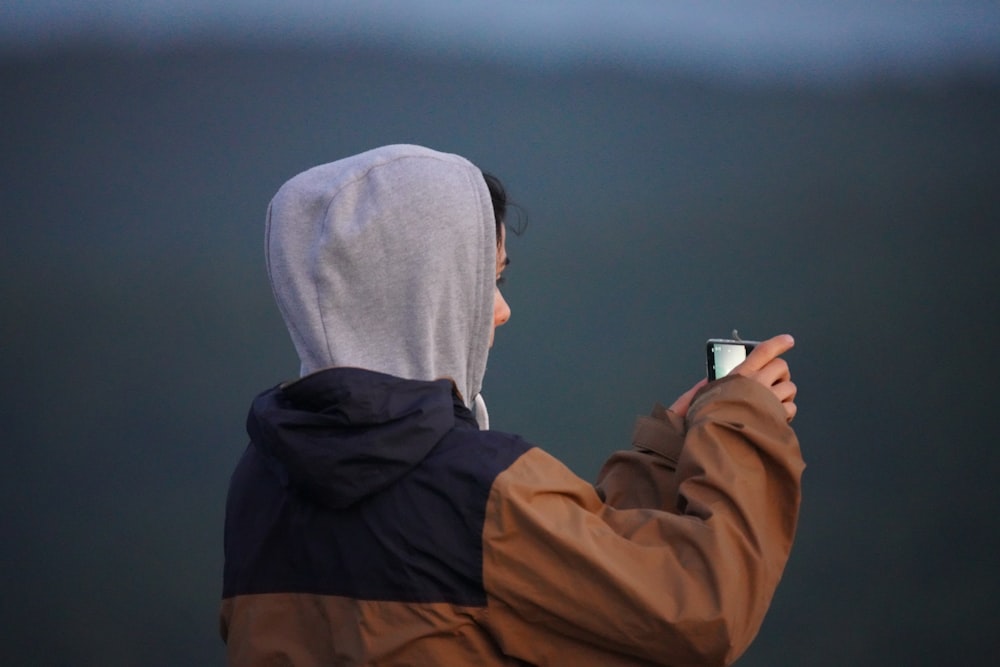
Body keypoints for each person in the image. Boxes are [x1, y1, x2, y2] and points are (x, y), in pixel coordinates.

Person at [220, 144, 804, 666]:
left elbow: (552, 594)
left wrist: (664, 456)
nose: (500, 311)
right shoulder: (478, 488)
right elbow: (701, 612)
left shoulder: (261, 482)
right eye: (485, 281)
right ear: (428, 291)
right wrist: (741, 426)